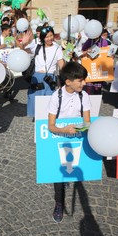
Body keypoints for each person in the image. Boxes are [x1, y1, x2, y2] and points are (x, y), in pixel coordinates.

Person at [47, 61, 91, 222]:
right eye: (80, 80)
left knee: (72, 170)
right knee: (58, 175)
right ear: (68, 82)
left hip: (77, 139)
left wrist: (80, 129)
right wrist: (64, 130)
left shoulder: (84, 95)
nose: (84, 83)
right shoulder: (56, 96)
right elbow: (51, 126)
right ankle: (59, 203)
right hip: (59, 137)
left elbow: (87, 122)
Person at [27, 26, 65, 118]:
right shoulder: (37, 47)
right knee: (35, 100)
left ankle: (48, 119)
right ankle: (38, 119)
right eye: (46, 37)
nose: (49, 38)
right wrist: (23, 43)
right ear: (43, 38)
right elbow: (23, 50)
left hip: (50, 78)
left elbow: (61, 65)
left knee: (49, 100)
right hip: (37, 78)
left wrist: (65, 78)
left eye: (51, 35)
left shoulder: (57, 48)